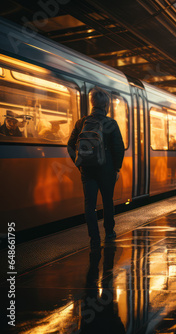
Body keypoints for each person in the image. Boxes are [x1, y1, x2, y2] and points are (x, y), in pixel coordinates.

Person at [67, 87, 125, 248]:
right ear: (106, 105)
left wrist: (79, 164)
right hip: (107, 170)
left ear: (92, 103)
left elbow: (70, 146)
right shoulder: (111, 123)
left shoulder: (81, 123)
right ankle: (110, 233)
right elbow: (118, 148)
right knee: (108, 202)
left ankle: (94, 237)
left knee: (89, 204)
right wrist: (116, 168)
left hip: (87, 170)